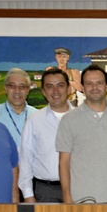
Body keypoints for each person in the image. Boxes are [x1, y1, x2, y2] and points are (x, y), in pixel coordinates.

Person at [56, 64, 107, 204]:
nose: (94, 88)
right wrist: (67, 196)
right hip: (80, 199)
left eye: (99, 83)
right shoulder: (69, 119)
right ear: (83, 87)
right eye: (89, 83)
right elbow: (64, 161)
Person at [18, 68, 73, 203]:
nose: (55, 91)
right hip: (45, 192)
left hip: (77, 188)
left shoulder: (81, 119)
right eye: (50, 87)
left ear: (69, 88)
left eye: (60, 85)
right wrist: (28, 195)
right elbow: (26, 160)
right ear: (43, 91)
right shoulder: (34, 121)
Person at [0, 68, 38, 149]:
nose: (17, 91)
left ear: (28, 90)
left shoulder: (37, 115)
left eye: (22, 87)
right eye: (12, 86)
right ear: (6, 88)